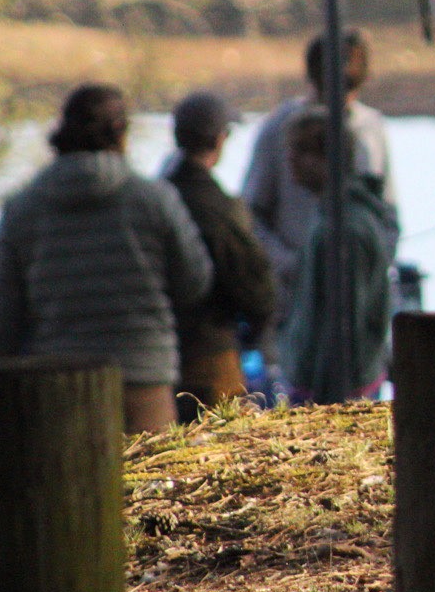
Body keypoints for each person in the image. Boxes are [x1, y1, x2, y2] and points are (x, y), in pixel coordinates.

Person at [0, 84, 214, 433]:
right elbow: (195, 281)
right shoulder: (155, 199)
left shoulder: (22, 208)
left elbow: (2, 310)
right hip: (144, 377)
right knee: (153, 467)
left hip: (58, 383)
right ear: (121, 132)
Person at [242, 30, 396, 345]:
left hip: (355, 300)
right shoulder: (280, 127)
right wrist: (292, 264)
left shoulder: (371, 128)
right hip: (292, 301)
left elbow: (388, 213)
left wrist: (372, 265)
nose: (342, 98)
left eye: (351, 88)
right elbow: (251, 214)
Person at [166, 91, 276, 418]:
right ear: (219, 139)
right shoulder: (219, 207)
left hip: (157, 359)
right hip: (210, 356)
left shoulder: (158, 196)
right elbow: (257, 291)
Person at [278, 108, 400, 402]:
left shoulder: (345, 229)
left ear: (329, 159)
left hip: (338, 390)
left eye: (303, 150)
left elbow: (345, 327)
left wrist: (324, 400)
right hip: (317, 380)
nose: (290, 159)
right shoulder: (328, 214)